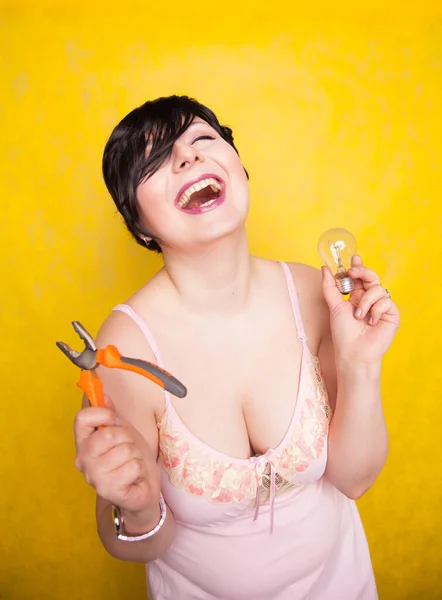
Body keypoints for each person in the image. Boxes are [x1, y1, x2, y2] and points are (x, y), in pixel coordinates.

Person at [73, 95, 400, 600]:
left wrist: (361, 366)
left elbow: (354, 479)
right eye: (156, 161)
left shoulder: (315, 297)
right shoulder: (125, 348)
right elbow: (138, 544)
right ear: (139, 225)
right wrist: (135, 508)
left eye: (203, 140)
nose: (187, 158)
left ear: (240, 170)